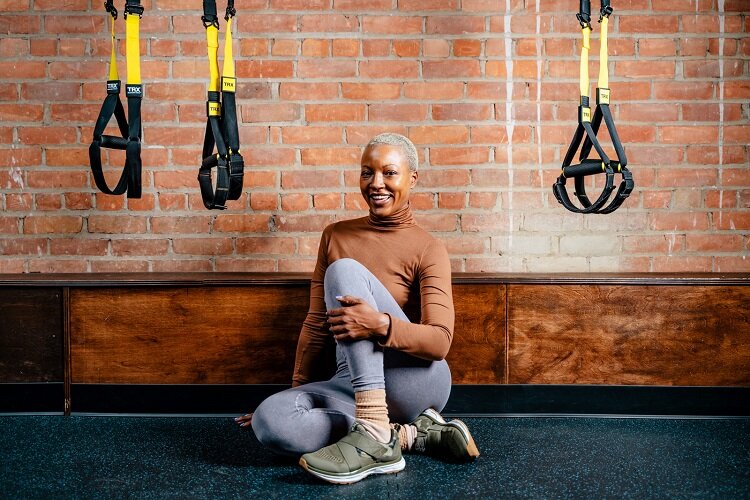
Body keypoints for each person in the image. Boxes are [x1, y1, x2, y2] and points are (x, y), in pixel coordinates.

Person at [235, 132, 479, 484]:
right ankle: (409, 436)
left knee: (345, 270)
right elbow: (317, 323)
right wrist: (295, 392)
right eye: (367, 173)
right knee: (269, 421)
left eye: (389, 173)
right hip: (349, 381)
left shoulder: (429, 249)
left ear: (412, 178)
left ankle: (375, 434)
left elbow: (439, 342)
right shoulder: (336, 235)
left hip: (416, 379)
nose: (376, 183)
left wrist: (380, 324)